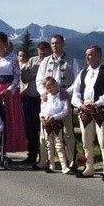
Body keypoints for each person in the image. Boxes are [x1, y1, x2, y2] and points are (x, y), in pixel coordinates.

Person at [71, 45, 104, 180]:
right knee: (86, 141)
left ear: (98, 56)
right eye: (86, 54)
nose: (86, 57)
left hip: (100, 111)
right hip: (85, 111)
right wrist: (80, 104)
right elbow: (76, 92)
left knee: (103, 141)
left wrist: (97, 103)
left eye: (90, 54)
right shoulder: (83, 72)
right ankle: (89, 167)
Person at [35, 35, 80, 169]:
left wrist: (69, 91)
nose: (55, 45)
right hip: (48, 101)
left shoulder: (72, 60)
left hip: (63, 100)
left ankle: (72, 161)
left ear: (63, 44)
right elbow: (39, 80)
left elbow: (77, 80)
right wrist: (42, 92)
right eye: (53, 43)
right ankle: (44, 161)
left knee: (67, 132)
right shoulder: (45, 61)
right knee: (44, 133)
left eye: (57, 43)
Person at [20, 41, 52, 164]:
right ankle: (32, 155)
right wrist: (34, 74)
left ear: (49, 51)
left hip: (45, 101)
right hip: (31, 98)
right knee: (32, 129)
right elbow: (24, 77)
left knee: (45, 128)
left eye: (44, 54)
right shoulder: (33, 61)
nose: (41, 56)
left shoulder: (50, 62)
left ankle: (47, 157)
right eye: (40, 54)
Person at [40, 77, 73, 174]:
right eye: (48, 88)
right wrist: (42, 117)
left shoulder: (62, 96)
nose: (50, 89)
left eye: (51, 86)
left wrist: (55, 117)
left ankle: (64, 166)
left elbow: (65, 110)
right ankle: (51, 165)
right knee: (49, 144)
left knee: (59, 144)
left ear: (56, 84)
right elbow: (42, 110)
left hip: (56, 122)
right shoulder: (46, 97)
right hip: (47, 121)